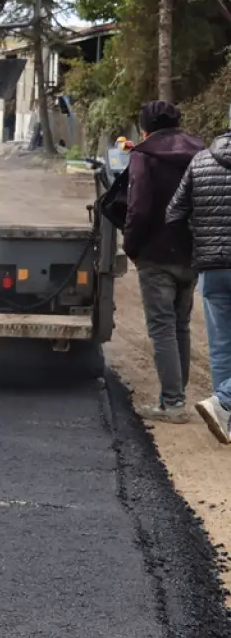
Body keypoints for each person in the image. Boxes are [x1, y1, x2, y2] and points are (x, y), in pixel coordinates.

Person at [122, 101, 205, 423]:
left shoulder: (144, 155)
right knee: (181, 325)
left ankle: (172, 403)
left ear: (146, 127)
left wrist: (131, 244)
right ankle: (176, 397)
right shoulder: (200, 153)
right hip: (192, 251)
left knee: (162, 328)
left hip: (156, 253)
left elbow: (138, 207)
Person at [167, 125, 231, 444]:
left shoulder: (201, 161)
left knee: (221, 347)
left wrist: (199, 237)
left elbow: (174, 212)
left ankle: (225, 417)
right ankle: (224, 403)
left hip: (211, 267)